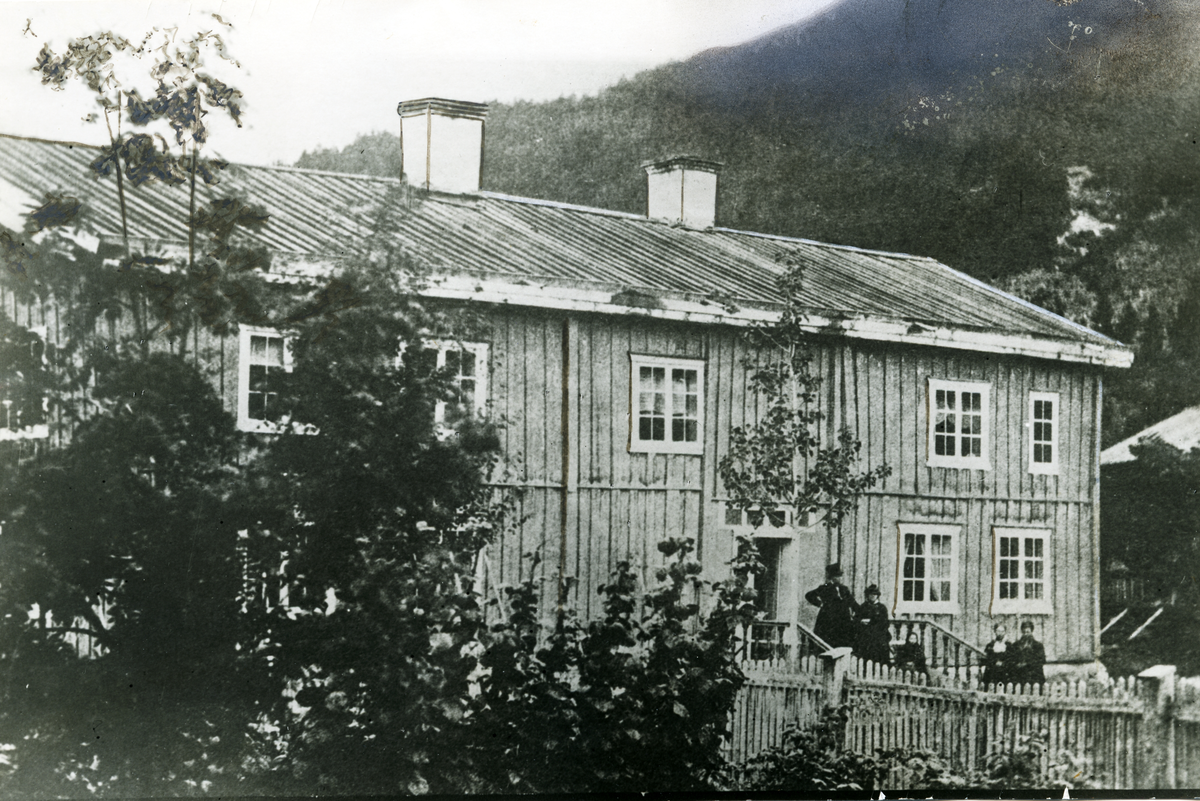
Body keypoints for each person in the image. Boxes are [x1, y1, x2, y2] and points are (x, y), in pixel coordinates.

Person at [805, 563, 858, 649]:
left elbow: (853, 603)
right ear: (832, 577)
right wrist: (820, 604)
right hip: (829, 619)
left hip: (843, 620)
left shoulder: (844, 589)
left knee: (843, 642)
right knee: (828, 642)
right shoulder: (824, 588)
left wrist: (864, 611)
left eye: (840, 576)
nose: (840, 578)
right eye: (837, 576)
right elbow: (809, 595)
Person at [854, 584, 891, 665]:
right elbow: (856, 619)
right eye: (870, 594)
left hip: (878, 634)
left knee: (880, 651)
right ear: (867, 595)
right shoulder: (863, 607)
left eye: (874, 594)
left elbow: (885, 622)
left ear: (877, 595)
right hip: (865, 634)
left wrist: (872, 623)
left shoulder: (882, 608)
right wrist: (861, 621)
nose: (872, 596)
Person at [1011, 620, 1047, 687]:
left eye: (1028, 632)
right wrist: (1017, 664)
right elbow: (1012, 659)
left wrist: (1027, 663)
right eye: (1024, 632)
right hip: (1019, 674)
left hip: (1034, 675)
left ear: (1031, 631)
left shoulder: (1038, 645)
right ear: (1022, 632)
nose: (1026, 634)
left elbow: (1042, 660)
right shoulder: (1015, 645)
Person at [981, 623, 1013, 689]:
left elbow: (1011, 658)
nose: (1000, 633)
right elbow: (986, 658)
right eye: (998, 631)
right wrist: (995, 662)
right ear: (995, 632)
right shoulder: (990, 645)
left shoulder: (1009, 645)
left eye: (1002, 631)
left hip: (1005, 671)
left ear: (1005, 632)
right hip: (992, 671)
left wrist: (1003, 663)